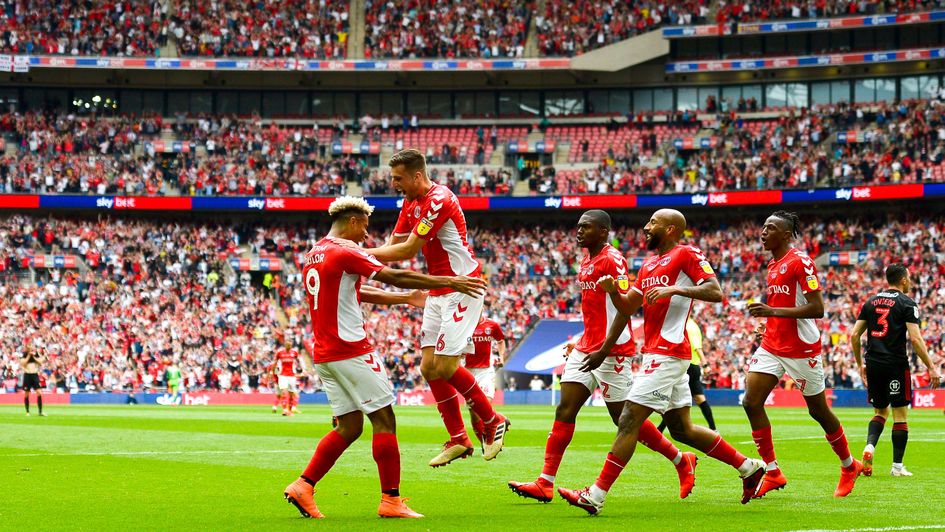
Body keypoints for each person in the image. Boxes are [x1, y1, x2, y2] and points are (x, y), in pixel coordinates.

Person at [283, 195, 487, 520]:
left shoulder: (315, 253)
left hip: (324, 354)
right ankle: (391, 500)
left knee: (349, 427)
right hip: (351, 350)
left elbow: (357, 291)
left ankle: (304, 485)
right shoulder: (345, 249)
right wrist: (448, 281)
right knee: (384, 421)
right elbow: (394, 274)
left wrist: (404, 300)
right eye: (364, 227)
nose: (367, 236)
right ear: (353, 222)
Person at [558, 209, 765, 515]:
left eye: (652, 223)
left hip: (669, 353)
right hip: (657, 352)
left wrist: (676, 288)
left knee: (628, 419)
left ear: (670, 229)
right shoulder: (647, 266)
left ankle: (596, 495)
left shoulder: (687, 254)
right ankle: (749, 467)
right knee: (681, 429)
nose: (645, 227)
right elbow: (629, 305)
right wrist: (614, 292)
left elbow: (715, 292)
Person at [509, 210, 697, 504]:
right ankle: (545, 482)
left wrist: (605, 349)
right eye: (579, 226)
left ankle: (679, 459)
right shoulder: (586, 261)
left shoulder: (613, 259)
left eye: (586, 227)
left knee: (623, 420)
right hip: (587, 347)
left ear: (603, 231)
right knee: (565, 410)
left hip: (613, 351)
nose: (579, 230)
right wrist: (583, 343)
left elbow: (625, 308)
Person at [363, 149, 509, 467]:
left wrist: (353, 253)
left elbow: (408, 249)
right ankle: (459, 439)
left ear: (417, 176)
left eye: (398, 178)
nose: (394, 184)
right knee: (428, 368)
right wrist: (355, 253)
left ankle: (493, 420)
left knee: (444, 366)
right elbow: (392, 246)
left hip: (462, 287)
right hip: (436, 289)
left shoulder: (438, 198)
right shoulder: (410, 203)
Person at [744, 211, 863, 499]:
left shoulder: (801, 262)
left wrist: (771, 311)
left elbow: (817, 308)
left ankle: (849, 466)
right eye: (763, 227)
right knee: (750, 402)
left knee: (818, 411)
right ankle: (772, 471)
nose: (763, 232)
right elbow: (784, 305)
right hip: (773, 345)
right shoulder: (773, 265)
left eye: (769, 228)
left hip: (801, 349)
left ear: (785, 234)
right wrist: (768, 323)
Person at [849, 263, 941, 477]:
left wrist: (859, 364)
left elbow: (854, 335)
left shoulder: (870, 301)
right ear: (903, 280)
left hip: (873, 363)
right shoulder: (907, 303)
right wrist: (931, 366)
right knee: (900, 415)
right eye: (908, 277)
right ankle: (897, 467)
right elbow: (916, 339)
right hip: (895, 365)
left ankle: (870, 447)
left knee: (880, 412)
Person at [658, 317, 716, 432]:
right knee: (699, 398)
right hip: (693, 366)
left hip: (686, 365)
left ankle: (660, 429)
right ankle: (713, 428)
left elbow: (697, 348)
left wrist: (705, 364)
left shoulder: (688, 326)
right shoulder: (692, 325)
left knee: (672, 398)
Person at [464, 305, 508, 450]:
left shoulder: (492, 325)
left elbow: (500, 340)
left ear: (481, 309)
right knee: (473, 411)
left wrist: (501, 357)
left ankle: (488, 442)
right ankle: (488, 437)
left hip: (485, 371)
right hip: (467, 372)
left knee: (484, 406)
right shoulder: (463, 325)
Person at [273, 339, 302, 416]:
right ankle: (285, 409)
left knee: (291, 394)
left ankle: (290, 410)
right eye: (287, 345)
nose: (289, 346)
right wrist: (274, 373)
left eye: (290, 345)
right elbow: (275, 363)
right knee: (283, 392)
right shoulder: (280, 353)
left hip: (292, 376)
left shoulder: (294, 353)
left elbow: (299, 361)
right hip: (282, 375)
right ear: (285, 345)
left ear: (291, 346)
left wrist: (303, 370)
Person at [21, 346, 46, 417]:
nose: (31, 350)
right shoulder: (24, 355)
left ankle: (40, 412)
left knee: (39, 392)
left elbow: (40, 362)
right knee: (26, 394)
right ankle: (27, 411)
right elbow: (23, 363)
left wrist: (34, 357)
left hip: (35, 375)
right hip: (27, 375)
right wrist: (29, 356)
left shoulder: (36, 354)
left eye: (32, 348)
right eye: (30, 349)